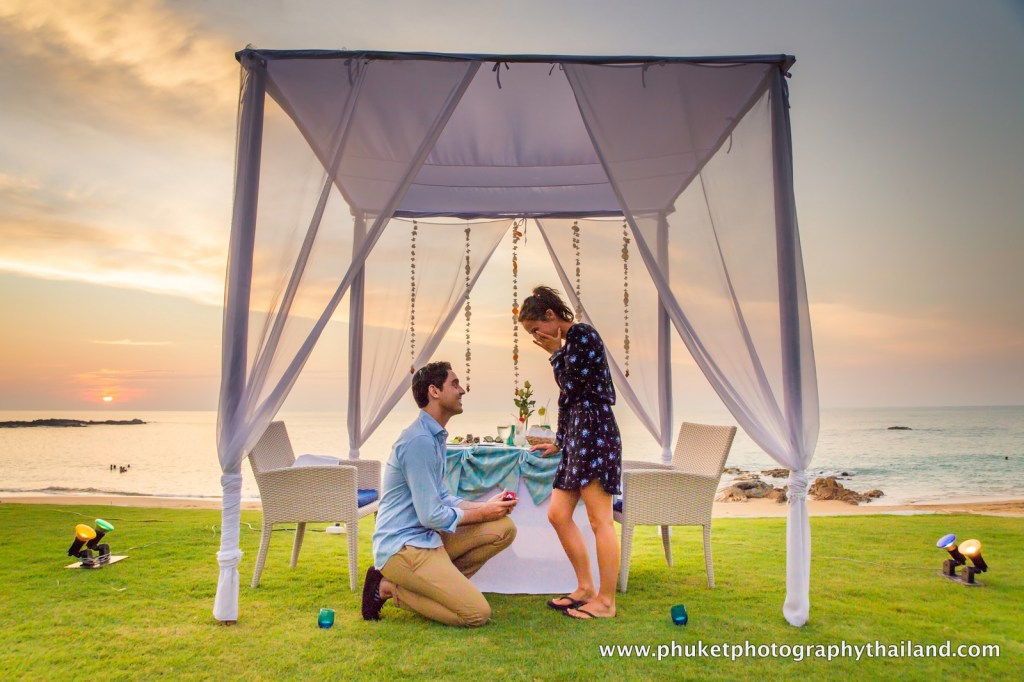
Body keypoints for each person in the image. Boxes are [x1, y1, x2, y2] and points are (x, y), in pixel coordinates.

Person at [363, 361, 518, 626]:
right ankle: (388, 588)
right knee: (476, 614)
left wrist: (485, 505)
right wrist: (482, 512)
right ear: (434, 391)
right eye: (454, 384)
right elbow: (431, 515)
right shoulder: (418, 441)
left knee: (503, 527)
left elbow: (443, 498)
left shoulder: (434, 436)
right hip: (403, 547)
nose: (462, 390)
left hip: (428, 538)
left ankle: (438, 587)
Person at [519, 286, 622, 620]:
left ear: (551, 316)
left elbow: (574, 385)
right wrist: (560, 441)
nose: (535, 337)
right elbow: (568, 398)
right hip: (577, 437)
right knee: (557, 514)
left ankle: (606, 601)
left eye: (535, 329)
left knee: (600, 520)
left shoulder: (582, 335)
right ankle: (585, 588)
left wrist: (554, 353)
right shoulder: (569, 345)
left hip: (595, 434)